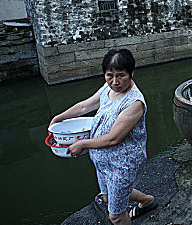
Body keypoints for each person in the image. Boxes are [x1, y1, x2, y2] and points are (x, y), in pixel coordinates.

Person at [49, 49, 157, 225]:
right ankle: (147, 201)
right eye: (109, 76)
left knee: (115, 215)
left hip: (122, 163)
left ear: (131, 73)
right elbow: (85, 106)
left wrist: (82, 143)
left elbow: (113, 138)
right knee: (108, 197)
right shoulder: (108, 89)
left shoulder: (134, 103)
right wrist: (60, 118)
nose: (115, 82)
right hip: (103, 161)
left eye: (121, 76)